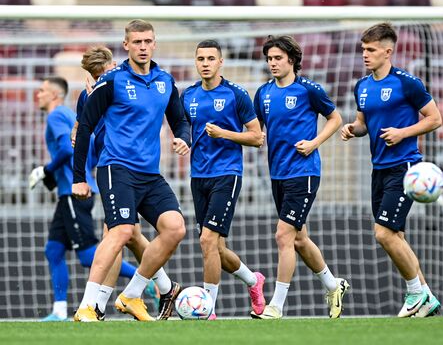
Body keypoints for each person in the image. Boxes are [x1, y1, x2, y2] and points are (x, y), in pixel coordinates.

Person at [72, 19, 190, 322]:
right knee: (122, 230)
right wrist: (79, 178)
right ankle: (88, 306)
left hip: (149, 174)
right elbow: (84, 127)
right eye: (136, 42)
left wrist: (183, 138)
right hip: (116, 168)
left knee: (175, 228)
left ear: (154, 43)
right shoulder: (112, 81)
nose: (142, 47)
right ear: (126, 45)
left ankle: (132, 294)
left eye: (147, 41)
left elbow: (180, 119)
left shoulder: (165, 81)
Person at [340, 22, 443, 318]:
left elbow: (434, 119)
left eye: (371, 50)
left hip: (406, 166)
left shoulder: (406, 82)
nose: (365, 55)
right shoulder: (362, 86)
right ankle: (427, 296)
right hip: (379, 168)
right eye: (363, 50)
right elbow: (363, 123)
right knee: (394, 235)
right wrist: (352, 129)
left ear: (388, 51)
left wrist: (403, 133)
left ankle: (415, 292)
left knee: (384, 233)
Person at [251, 35, 349, 320]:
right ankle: (333, 285)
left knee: (283, 235)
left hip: (304, 173)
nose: (273, 63)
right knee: (300, 239)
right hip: (277, 173)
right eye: (269, 58)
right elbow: (258, 128)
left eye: (278, 58)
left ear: (291, 60)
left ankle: (276, 305)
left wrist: (314, 143)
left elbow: (335, 118)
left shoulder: (309, 89)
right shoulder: (264, 93)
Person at [181, 40, 266, 320]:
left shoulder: (235, 94)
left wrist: (224, 134)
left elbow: (257, 136)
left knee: (207, 241)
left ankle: (207, 309)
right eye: (200, 58)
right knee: (215, 246)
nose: (205, 63)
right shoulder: (188, 95)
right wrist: (181, 142)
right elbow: (184, 131)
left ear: (220, 62)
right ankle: (253, 281)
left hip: (227, 174)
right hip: (198, 176)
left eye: (210, 58)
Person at [30, 76, 99, 321]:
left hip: (73, 193)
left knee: (89, 256)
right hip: (70, 192)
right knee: (53, 250)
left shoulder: (56, 116)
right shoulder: (72, 116)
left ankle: (147, 282)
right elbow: (86, 146)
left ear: (55, 95)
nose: (37, 94)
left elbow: (67, 149)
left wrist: (46, 170)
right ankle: (59, 311)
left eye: (42, 90)